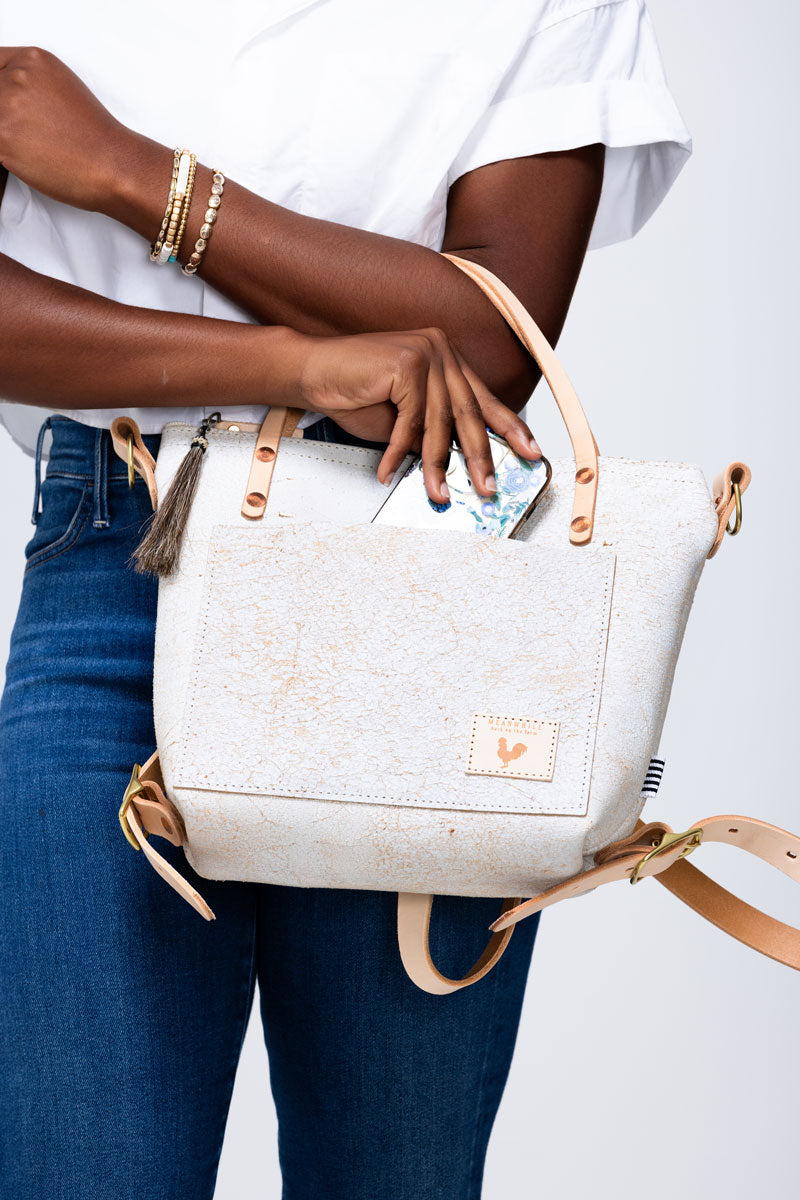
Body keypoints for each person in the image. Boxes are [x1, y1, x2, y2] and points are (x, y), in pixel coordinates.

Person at [0, 2, 691, 1197]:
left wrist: (131, 174)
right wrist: (300, 364)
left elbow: (482, 345)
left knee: (395, 1179)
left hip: (416, 585)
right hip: (122, 570)